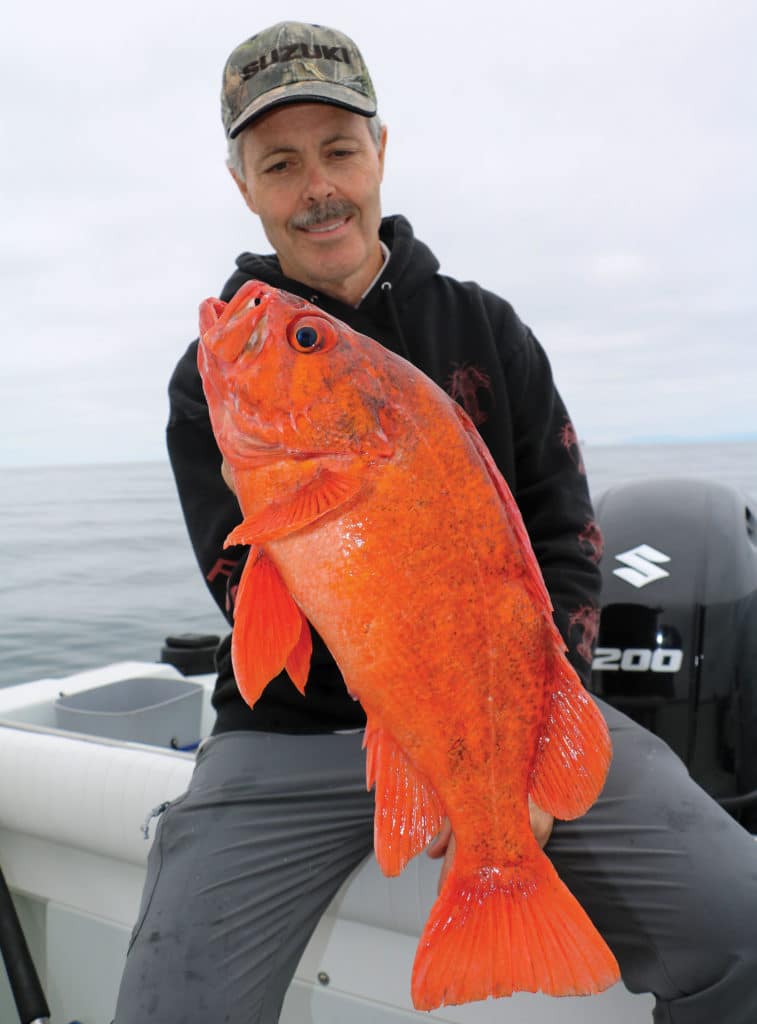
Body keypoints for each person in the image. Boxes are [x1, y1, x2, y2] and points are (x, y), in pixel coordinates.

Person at [114, 21, 757, 1024]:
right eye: (279, 163)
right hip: (292, 737)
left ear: (379, 151)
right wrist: (418, 744)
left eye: (338, 149)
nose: (316, 185)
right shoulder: (218, 378)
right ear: (244, 185)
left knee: (741, 920)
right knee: (168, 1004)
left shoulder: (487, 330)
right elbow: (243, 595)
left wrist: (528, 754)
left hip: (506, 709)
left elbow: (567, 540)